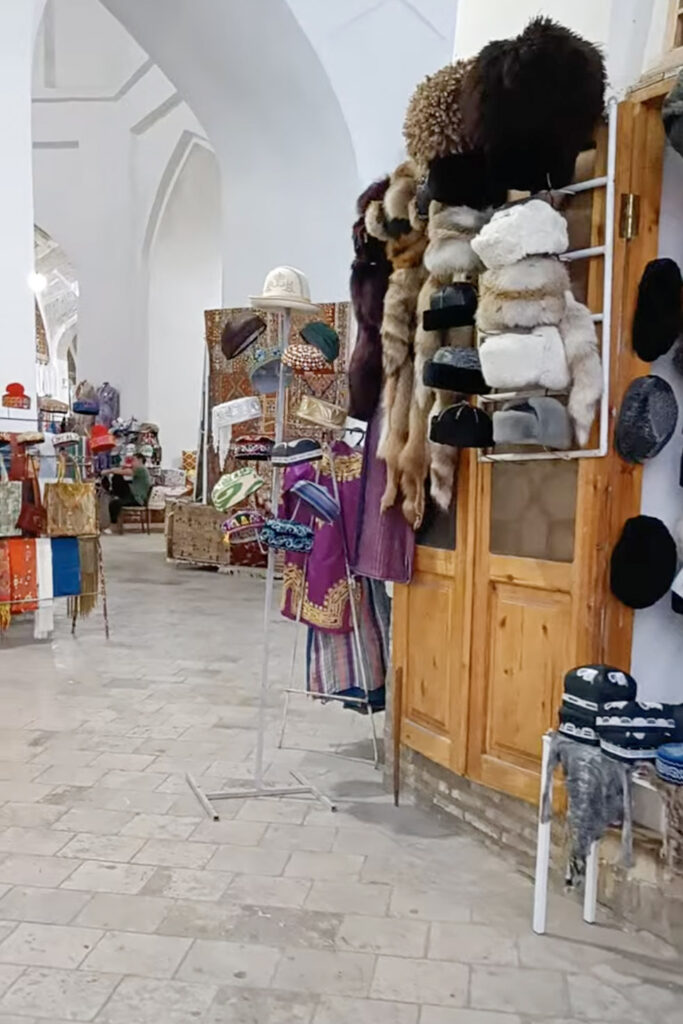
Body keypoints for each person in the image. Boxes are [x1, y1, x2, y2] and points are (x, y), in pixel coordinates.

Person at [107, 453, 151, 533]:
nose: (132, 462)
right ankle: (116, 495)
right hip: (134, 496)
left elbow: (128, 472)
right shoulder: (142, 470)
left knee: (114, 503)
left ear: (140, 460)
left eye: (134, 460)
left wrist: (111, 471)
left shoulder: (141, 469)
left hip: (137, 499)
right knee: (117, 477)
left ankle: (113, 526)